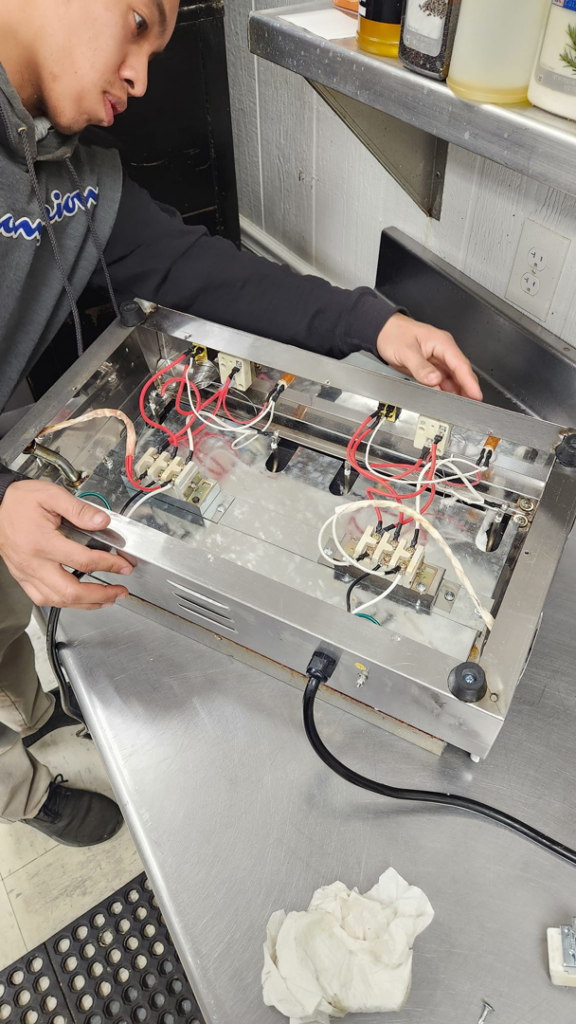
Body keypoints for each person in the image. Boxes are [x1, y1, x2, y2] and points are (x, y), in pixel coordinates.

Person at [0, 0, 482, 847]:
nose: (143, 76)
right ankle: (25, 790)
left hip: (19, 494)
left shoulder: (65, 173)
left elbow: (201, 272)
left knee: (11, 639)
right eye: (139, 22)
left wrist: (375, 325)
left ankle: (36, 708)